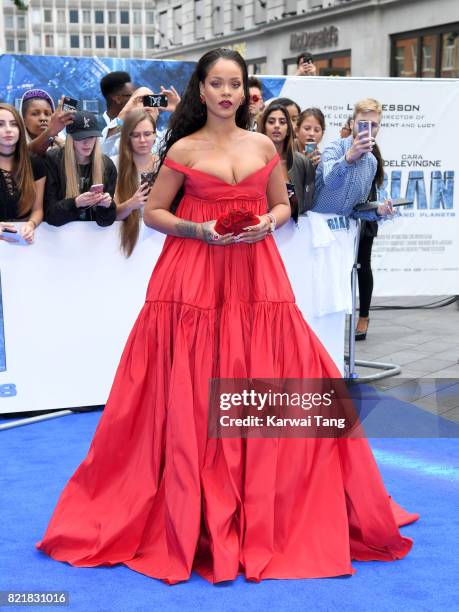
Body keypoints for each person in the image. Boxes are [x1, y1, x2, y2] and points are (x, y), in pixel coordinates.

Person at [36, 49, 417, 585]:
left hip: (257, 273)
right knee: (190, 387)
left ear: (244, 90)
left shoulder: (263, 144)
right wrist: (199, 230)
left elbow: (283, 203)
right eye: (216, 83)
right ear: (202, 88)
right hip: (192, 277)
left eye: (234, 84)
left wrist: (269, 220)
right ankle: (193, 511)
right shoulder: (184, 148)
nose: (226, 93)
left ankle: (269, 501)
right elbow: (155, 212)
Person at [312, 98, 393, 340]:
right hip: (313, 230)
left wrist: (378, 211)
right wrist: (349, 157)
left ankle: (333, 353)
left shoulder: (371, 162)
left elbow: (354, 209)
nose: (368, 130)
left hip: (341, 236)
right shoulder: (335, 148)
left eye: (374, 125)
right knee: (315, 295)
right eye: (362, 124)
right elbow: (330, 180)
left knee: (336, 298)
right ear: (352, 123)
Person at [44, 111, 117, 227]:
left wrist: (107, 205)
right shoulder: (53, 161)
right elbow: (50, 215)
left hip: (93, 237)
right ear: (70, 138)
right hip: (58, 237)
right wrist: (75, 203)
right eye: (80, 137)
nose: (86, 143)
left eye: (91, 137)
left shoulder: (107, 165)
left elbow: (105, 221)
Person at [114, 109, 159, 256]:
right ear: (127, 137)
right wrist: (132, 204)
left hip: (158, 239)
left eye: (147, 134)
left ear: (155, 135)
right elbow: (112, 215)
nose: (142, 140)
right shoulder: (115, 165)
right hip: (122, 242)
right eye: (135, 135)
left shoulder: (164, 165)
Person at [258, 101, 315, 217]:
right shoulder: (252, 161)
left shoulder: (302, 162)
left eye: (282, 122)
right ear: (264, 127)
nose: (277, 125)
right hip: (261, 227)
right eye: (271, 121)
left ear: (289, 129)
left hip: (295, 230)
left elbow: (307, 204)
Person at [0, 103, 46, 244]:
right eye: (1, 124)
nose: (8, 130)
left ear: (20, 128)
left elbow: (38, 209)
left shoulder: (35, 163)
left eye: (13, 124)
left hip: (23, 242)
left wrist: (31, 224)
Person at [20, 89, 75, 156]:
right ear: (23, 120)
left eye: (47, 114)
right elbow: (27, 153)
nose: (43, 118)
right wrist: (50, 132)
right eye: (35, 114)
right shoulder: (14, 143)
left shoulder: (62, 143)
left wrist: (66, 149)